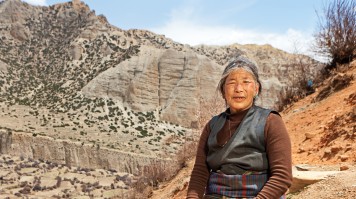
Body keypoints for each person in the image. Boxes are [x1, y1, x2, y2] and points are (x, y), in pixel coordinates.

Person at [187, 57, 292, 199]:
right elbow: (200, 171)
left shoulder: (270, 121)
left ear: (256, 89)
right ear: (223, 91)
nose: (238, 89)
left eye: (246, 82)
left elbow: (282, 176)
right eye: (232, 83)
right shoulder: (212, 126)